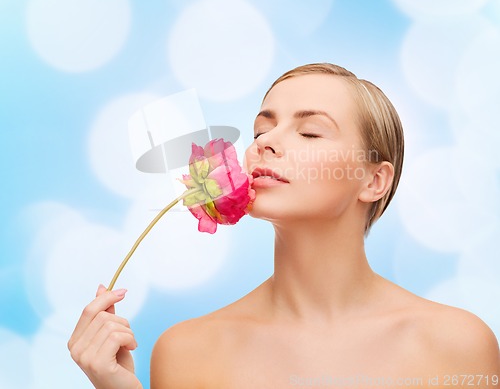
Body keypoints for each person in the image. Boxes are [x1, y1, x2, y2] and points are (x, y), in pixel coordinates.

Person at [68, 63, 500, 388]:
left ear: (374, 180)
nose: (265, 143)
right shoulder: (185, 352)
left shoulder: (456, 345)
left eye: (311, 133)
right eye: (261, 130)